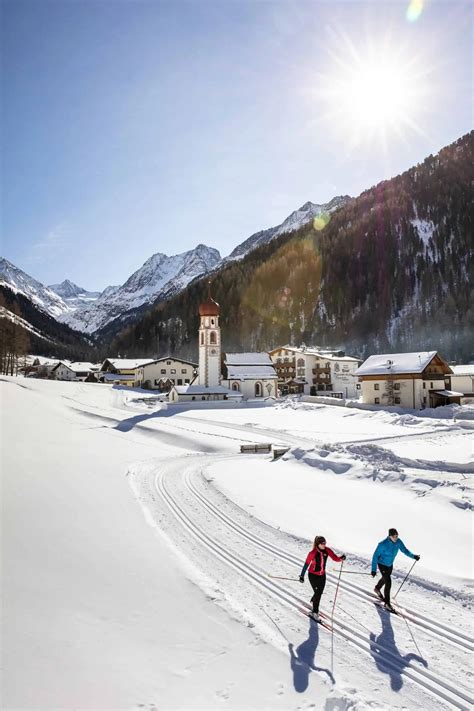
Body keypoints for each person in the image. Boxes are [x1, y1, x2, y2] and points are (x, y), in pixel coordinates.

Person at [371, 528, 420, 612]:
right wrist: (373, 570)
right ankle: (387, 603)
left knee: (385, 578)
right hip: (382, 564)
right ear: (389, 536)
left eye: (397, 536)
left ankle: (377, 588)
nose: (396, 538)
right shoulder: (382, 544)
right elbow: (375, 556)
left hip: (390, 564)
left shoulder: (398, 542)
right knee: (388, 582)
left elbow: (404, 550)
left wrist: (413, 556)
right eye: (394, 536)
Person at [299, 536, 346, 620]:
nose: (324, 545)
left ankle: (314, 601)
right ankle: (315, 612)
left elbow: (335, 558)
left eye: (325, 543)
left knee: (319, 593)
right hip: (313, 575)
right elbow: (306, 564)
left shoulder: (327, 550)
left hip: (322, 575)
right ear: (318, 544)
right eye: (322, 543)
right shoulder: (312, 553)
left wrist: (341, 559)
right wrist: (302, 575)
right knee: (317, 593)